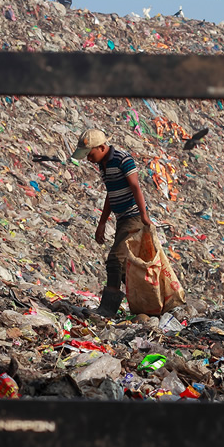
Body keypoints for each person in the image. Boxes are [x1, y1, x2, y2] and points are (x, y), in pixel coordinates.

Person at [71, 128, 152, 317]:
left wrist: (144, 216)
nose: (89, 160)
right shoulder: (104, 164)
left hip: (133, 217)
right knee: (125, 268)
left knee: (115, 260)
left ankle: (107, 310)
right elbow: (110, 194)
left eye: (90, 155)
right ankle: (146, 303)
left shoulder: (123, 159)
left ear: (101, 147)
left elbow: (135, 187)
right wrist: (102, 223)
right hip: (121, 219)